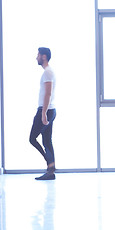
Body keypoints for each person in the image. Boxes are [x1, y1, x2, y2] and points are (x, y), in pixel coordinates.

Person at [29, 47, 57, 180]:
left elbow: (48, 93)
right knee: (46, 140)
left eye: (38, 55)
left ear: (44, 57)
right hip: (49, 110)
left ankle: (50, 165)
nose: (36, 57)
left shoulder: (48, 73)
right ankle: (50, 171)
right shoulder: (48, 72)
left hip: (45, 110)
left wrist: (43, 113)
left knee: (32, 138)